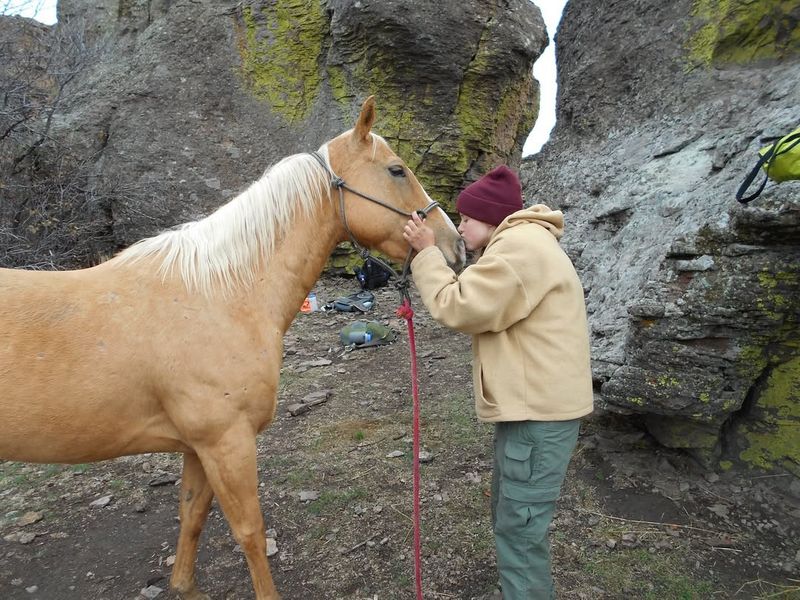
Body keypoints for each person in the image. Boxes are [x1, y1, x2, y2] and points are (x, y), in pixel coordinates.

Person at [402, 165, 593, 599]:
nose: (461, 226)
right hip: (532, 409)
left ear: (491, 218)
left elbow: (459, 306)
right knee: (512, 514)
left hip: (538, 416)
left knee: (520, 528)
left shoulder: (519, 250)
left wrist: (426, 253)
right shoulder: (522, 244)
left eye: (467, 218)